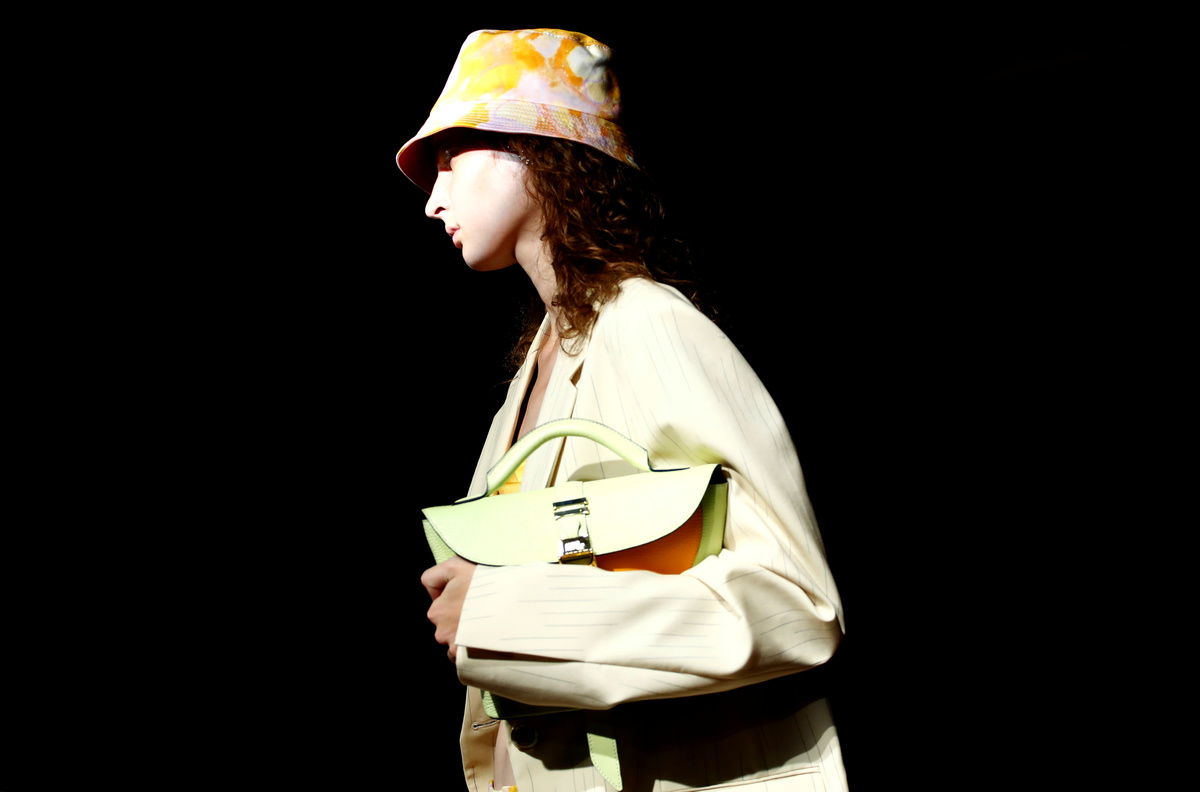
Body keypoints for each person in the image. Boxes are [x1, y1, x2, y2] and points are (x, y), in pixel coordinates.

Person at [399, 29, 847, 792]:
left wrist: (503, 614)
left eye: (451, 159)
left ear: (534, 150)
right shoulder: (537, 367)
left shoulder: (648, 325)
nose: (433, 198)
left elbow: (795, 604)